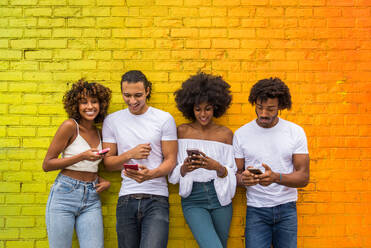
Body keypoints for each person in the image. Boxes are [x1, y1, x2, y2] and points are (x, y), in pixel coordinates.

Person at [102, 70, 178, 248]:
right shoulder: (112, 121)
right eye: (127, 95)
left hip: (156, 199)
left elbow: (171, 160)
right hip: (126, 198)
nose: (132, 101)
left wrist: (151, 174)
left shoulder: (164, 119)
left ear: (148, 91)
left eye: (138, 95)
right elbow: (108, 164)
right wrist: (130, 154)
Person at [233, 77, 310, 248]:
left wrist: (276, 177)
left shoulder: (295, 132)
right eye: (259, 108)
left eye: (270, 109)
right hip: (256, 210)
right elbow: (235, 175)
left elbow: (303, 177)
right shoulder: (241, 134)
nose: (263, 114)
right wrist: (243, 179)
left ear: (280, 106)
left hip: (286, 209)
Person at [169, 72, 237, 248]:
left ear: (216, 107)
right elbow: (173, 171)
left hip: (220, 197)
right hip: (193, 198)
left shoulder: (226, 134)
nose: (203, 114)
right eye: (198, 109)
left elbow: (233, 172)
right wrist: (184, 168)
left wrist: (217, 167)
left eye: (208, 108)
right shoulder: (182, 132)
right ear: (190, 108)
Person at [43, 80, 112, 248]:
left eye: (94, 101)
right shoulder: (70, 126)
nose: (90, 106)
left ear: (101, 104)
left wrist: (102, 179)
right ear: (76, 105)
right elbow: (47, 164)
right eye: (84, 102)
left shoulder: (100, 132)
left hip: (91, 197)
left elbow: (88, 166)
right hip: (65, 194)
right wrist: (81, 156)